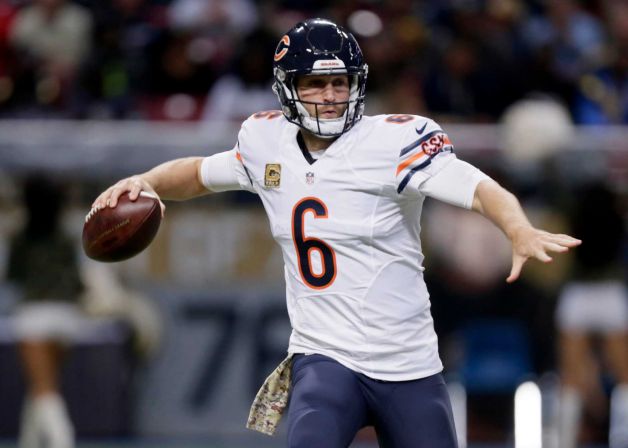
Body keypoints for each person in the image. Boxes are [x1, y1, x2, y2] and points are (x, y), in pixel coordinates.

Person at [91, 18, 581, 448]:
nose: (329, 97)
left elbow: (476, 187)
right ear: (288, 87)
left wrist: (516, 226)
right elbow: (199, 173)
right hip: (325, 358)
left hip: (408, 361)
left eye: (340, 83)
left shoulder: (394, 141)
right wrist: (147, 182)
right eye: (315, 84)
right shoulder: (267, 142)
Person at [7, 175, 83, 448]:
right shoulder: (67, 239)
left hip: (33, 319)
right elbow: (78, 282)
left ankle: (63, 440)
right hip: (67, 318)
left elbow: (13, 276)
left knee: (44, 389)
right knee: (41, 383)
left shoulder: (21, 239)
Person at [555, 182, 628, 448]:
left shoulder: (571, 214)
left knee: (571, 379)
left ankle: (565, 441)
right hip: (610, 295)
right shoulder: (617, 217)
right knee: (625, 377)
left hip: (579, 296)